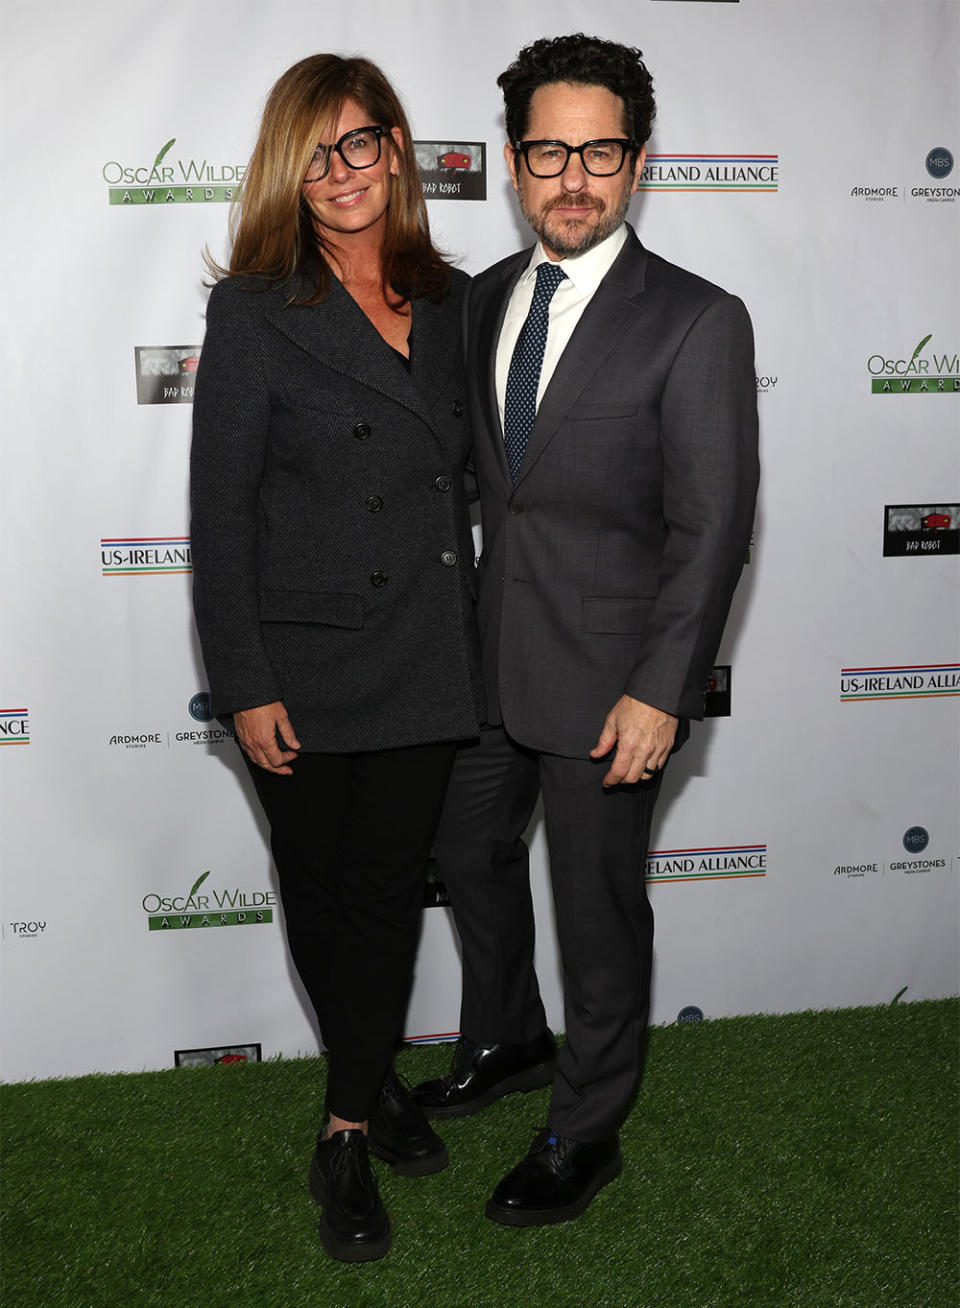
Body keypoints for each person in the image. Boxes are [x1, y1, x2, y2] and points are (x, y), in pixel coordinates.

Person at [411, 34, 760, 1227]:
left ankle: (584, 1127)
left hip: (613, 684)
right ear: (514, 163)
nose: (575, 176)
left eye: (600, 151)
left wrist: (661, 688)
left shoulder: (699, 321)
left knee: (599, 915)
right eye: (550, 150)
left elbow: (712, 527)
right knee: (463, 855)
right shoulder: (483, 303)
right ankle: (507, 1035)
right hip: (484, 667)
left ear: (639, 160)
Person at [189, 53, 483, 1263]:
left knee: (382, 897)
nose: (343, 171)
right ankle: (366, 1102)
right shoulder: (256, 308)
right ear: (287, 170)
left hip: (422, 650)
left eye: (363, 143)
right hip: (300, 668)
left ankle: (348, 1118)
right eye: (316, 152)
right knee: (324, 897)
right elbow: (221, 515)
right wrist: (246, 680)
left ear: (399, 151)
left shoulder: (458, 301)